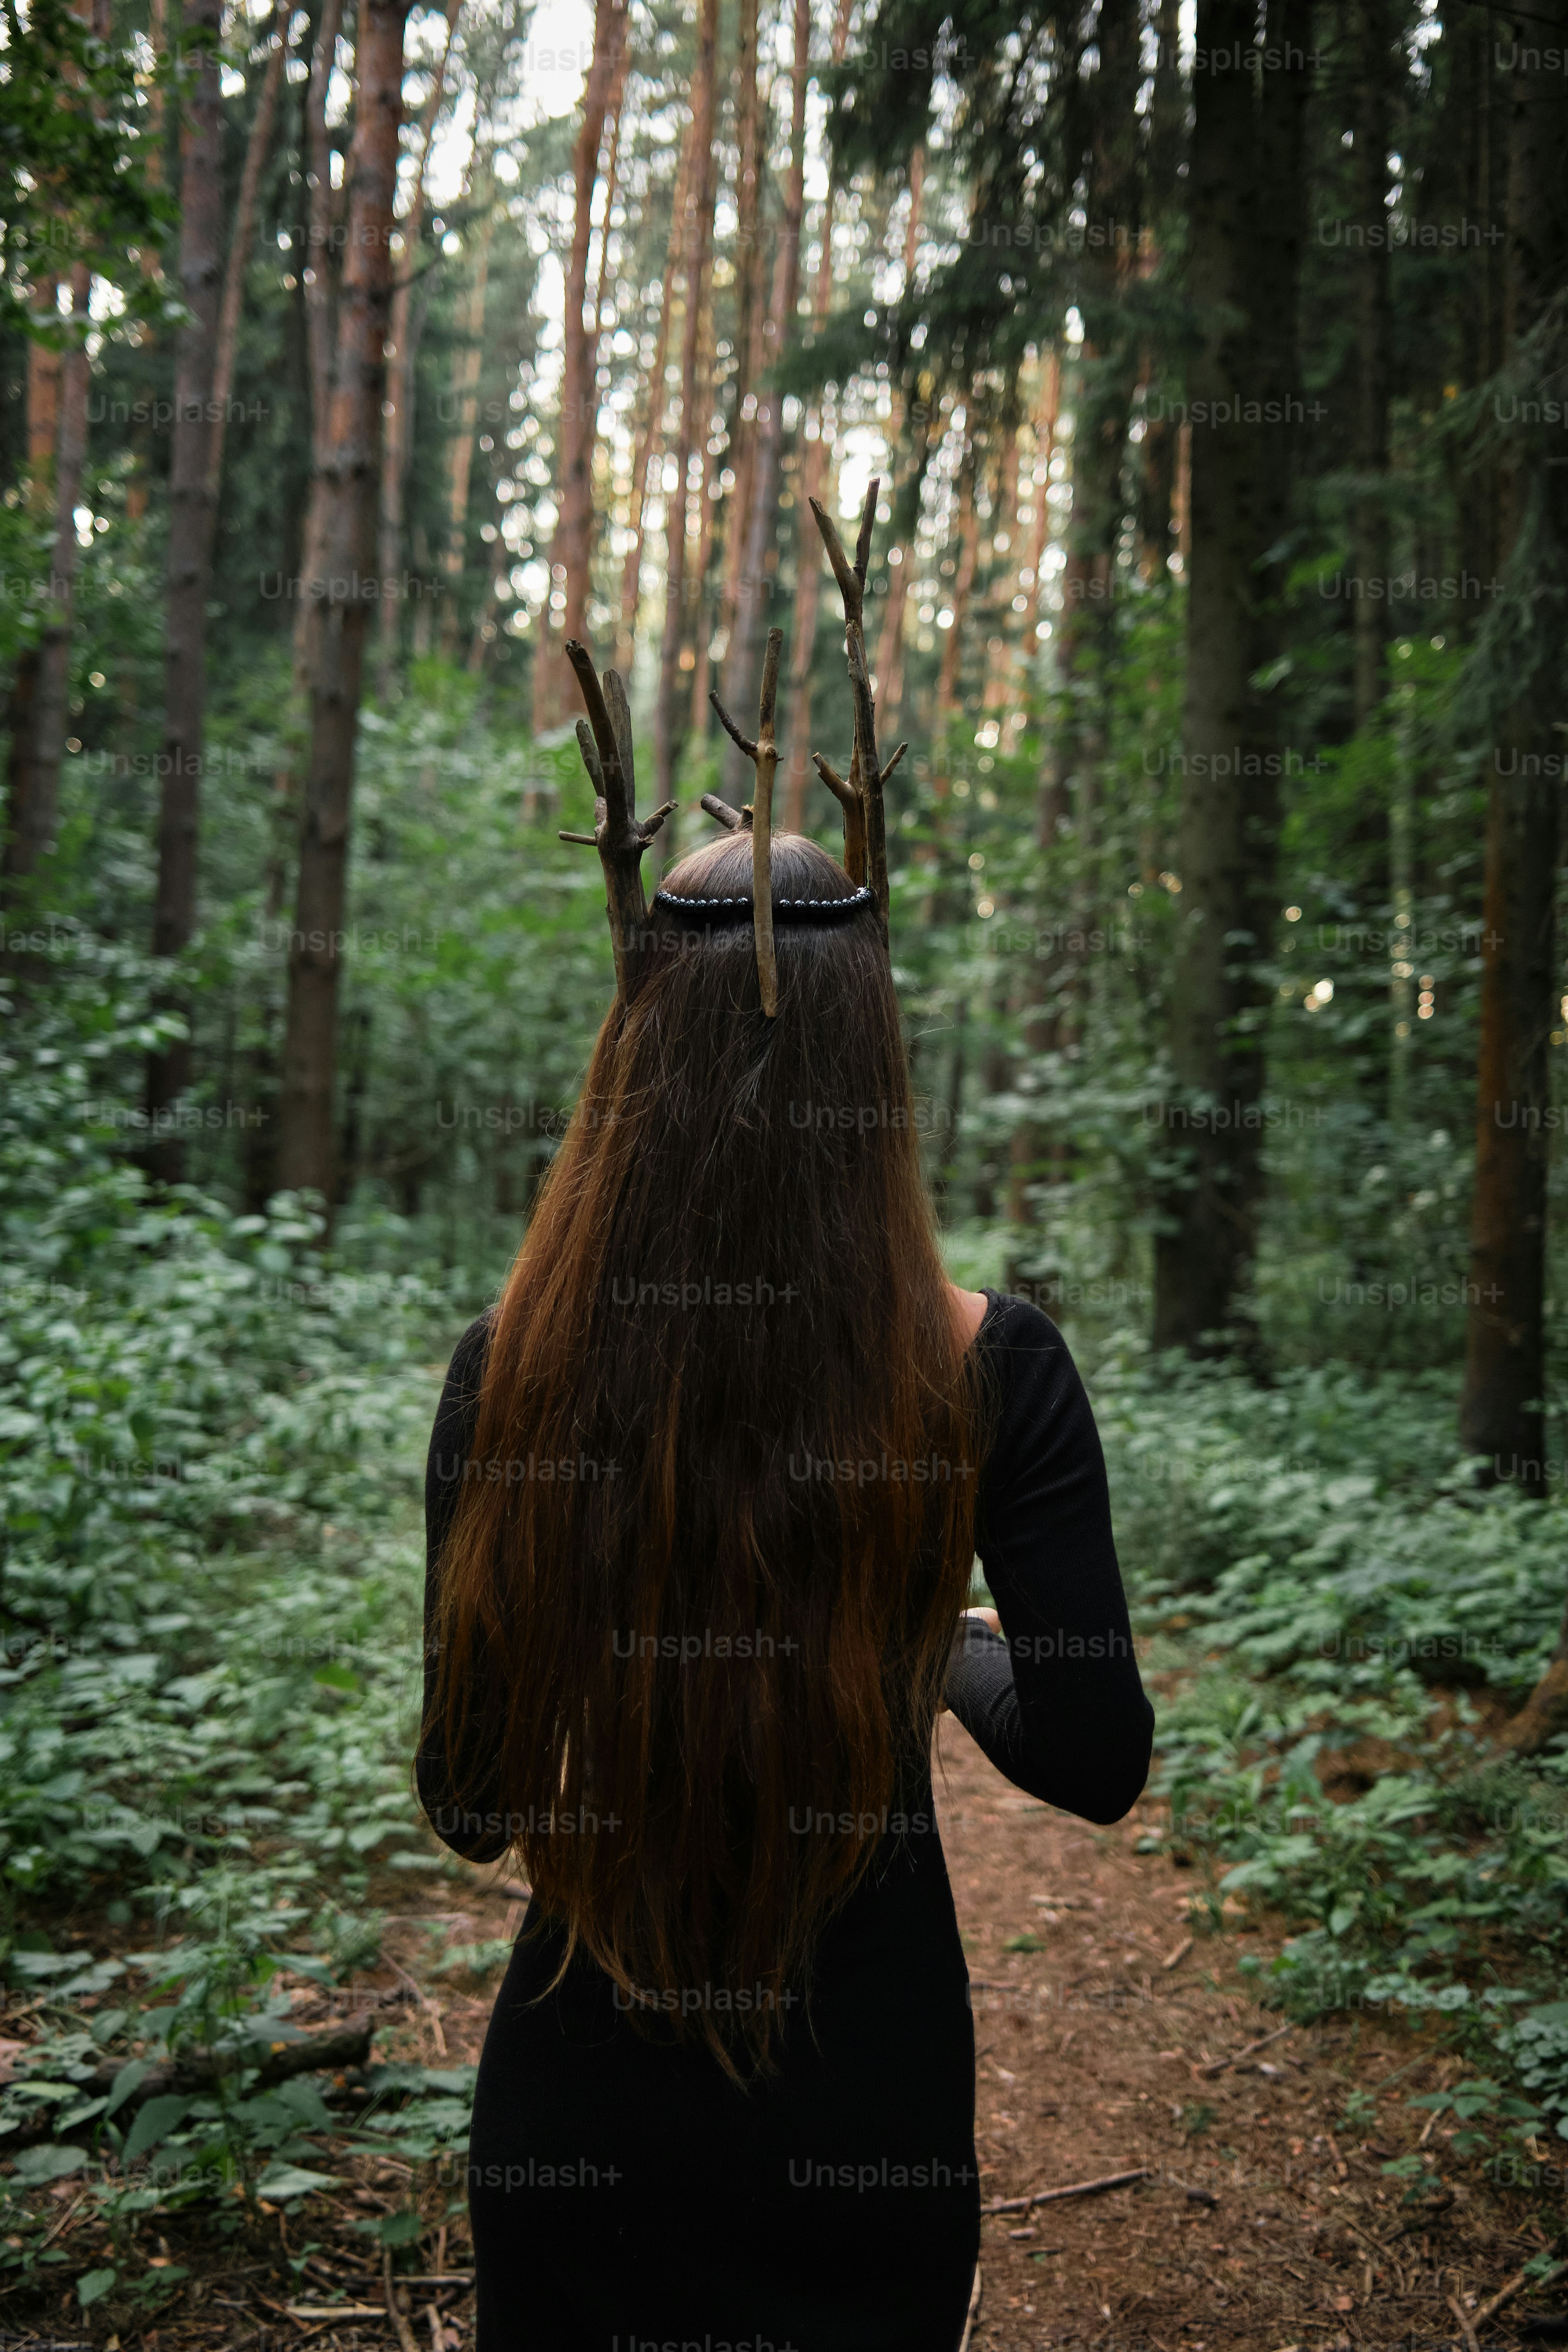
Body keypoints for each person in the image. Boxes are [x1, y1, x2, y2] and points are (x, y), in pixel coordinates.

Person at [417, 814, 1154, 2352]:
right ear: (871, 1055)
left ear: (636, 1052)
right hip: (860, 2114)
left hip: (576, 2113)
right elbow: (1094, 1758)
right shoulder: (985, 1362)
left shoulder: (511, 1371)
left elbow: (474, 1799)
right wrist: (938, 1642)